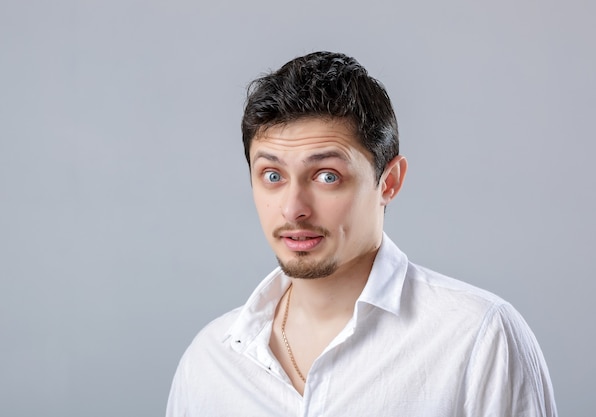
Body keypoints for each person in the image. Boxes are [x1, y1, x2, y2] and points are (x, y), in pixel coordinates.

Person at [166, 51, 558, 417]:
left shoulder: (478, 339)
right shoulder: (209, 363)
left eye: (327, 176)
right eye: (272, 176)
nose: (293, 208)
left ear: (389, 182)